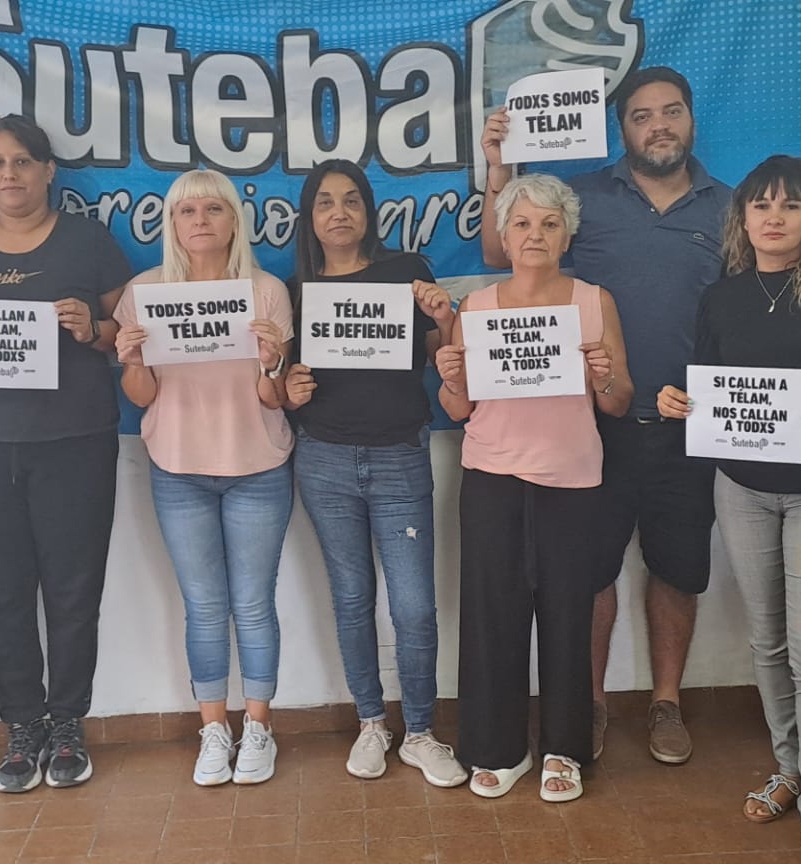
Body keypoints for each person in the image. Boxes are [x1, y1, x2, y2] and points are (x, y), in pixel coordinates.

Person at [481, 66, 732, 764]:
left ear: (691, 119)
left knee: (678, 570)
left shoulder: (730, 208)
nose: (659, 125)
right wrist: (499, 167)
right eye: (641, 116)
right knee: (591, 574)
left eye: (671, 111)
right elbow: (499, 252)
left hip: (690, 428)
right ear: (621, 129)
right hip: (597, 427)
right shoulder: (585, 199)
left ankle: (666, 703)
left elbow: (749, 309)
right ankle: (586, 706)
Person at [657, 156, 801, 864]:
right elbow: (707, 388)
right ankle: (788, 769)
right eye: (761, 205)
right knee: (768, 643)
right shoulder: (721, 297)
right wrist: (678, 402)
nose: (775, 217)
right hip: (742, 489)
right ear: (744, 217)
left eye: (791, 205)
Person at [0, 115, 131, 792]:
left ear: (48, 171)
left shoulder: (89, 241)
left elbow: (130, 332)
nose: (8, 174)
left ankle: (67, 723)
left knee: (74, 590)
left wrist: (94, 327)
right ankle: (22, 724)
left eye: (21, 161)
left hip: (76, 442)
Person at [438, 174, 632, 802]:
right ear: (503, 234)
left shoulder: (594, 302)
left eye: (550, 224)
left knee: (568, 615)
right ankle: (496, 748)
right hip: (491, 475)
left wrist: (603, 376)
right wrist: (451, 377)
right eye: (521, 223)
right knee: (491, 615)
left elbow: (619, 402)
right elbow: (460, 408)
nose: (535, 235)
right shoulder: (475, 309)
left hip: (571, 479)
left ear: (567, 235)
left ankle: (563, 748)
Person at [282, 159, 465, 787]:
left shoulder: (407, 273)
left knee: (413, 607)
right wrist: (289, 387)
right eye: (325, 202)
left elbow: (441, 356)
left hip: (399, 456)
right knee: (352, 597)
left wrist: (444, 317)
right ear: (310, 217)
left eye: (351, 200)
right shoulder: (297, 289)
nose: (339, 213)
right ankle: (370, 722)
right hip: (324, 459)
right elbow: (284, 379)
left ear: (368, 211)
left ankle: (420, 731)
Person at [113, 169, 293, 786]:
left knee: (254, 603)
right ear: (171, 223)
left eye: (213, 209)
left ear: (234, 221)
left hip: (257, 466)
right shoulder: (144, 292)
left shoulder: (266, 291)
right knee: (205, 607)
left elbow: (273, 398)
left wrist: (273, 362)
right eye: (187, 211)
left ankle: (259, 727)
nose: (200, 221)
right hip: (178, 468)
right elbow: (142, 395)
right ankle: (213, 729)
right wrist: (132, 360)